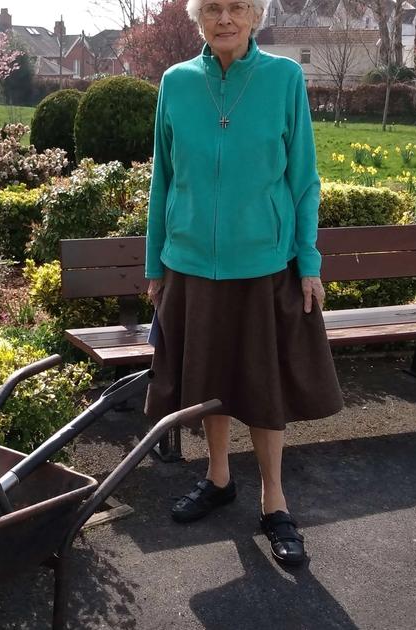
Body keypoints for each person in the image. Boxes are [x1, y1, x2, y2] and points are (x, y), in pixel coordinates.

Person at [143, 0, 344, 566]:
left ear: (255, 15)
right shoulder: (176, 82)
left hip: (263, 263)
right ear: (198, 17)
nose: (225, 19)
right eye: (213, 8)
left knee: (260, 385)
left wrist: (309, 261)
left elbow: (303, 178)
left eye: (237, 7)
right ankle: (218, 477)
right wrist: (155, 265)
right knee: (209, 378)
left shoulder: (283, 78)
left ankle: (274, 500)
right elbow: (163, 177)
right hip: (190, 264)